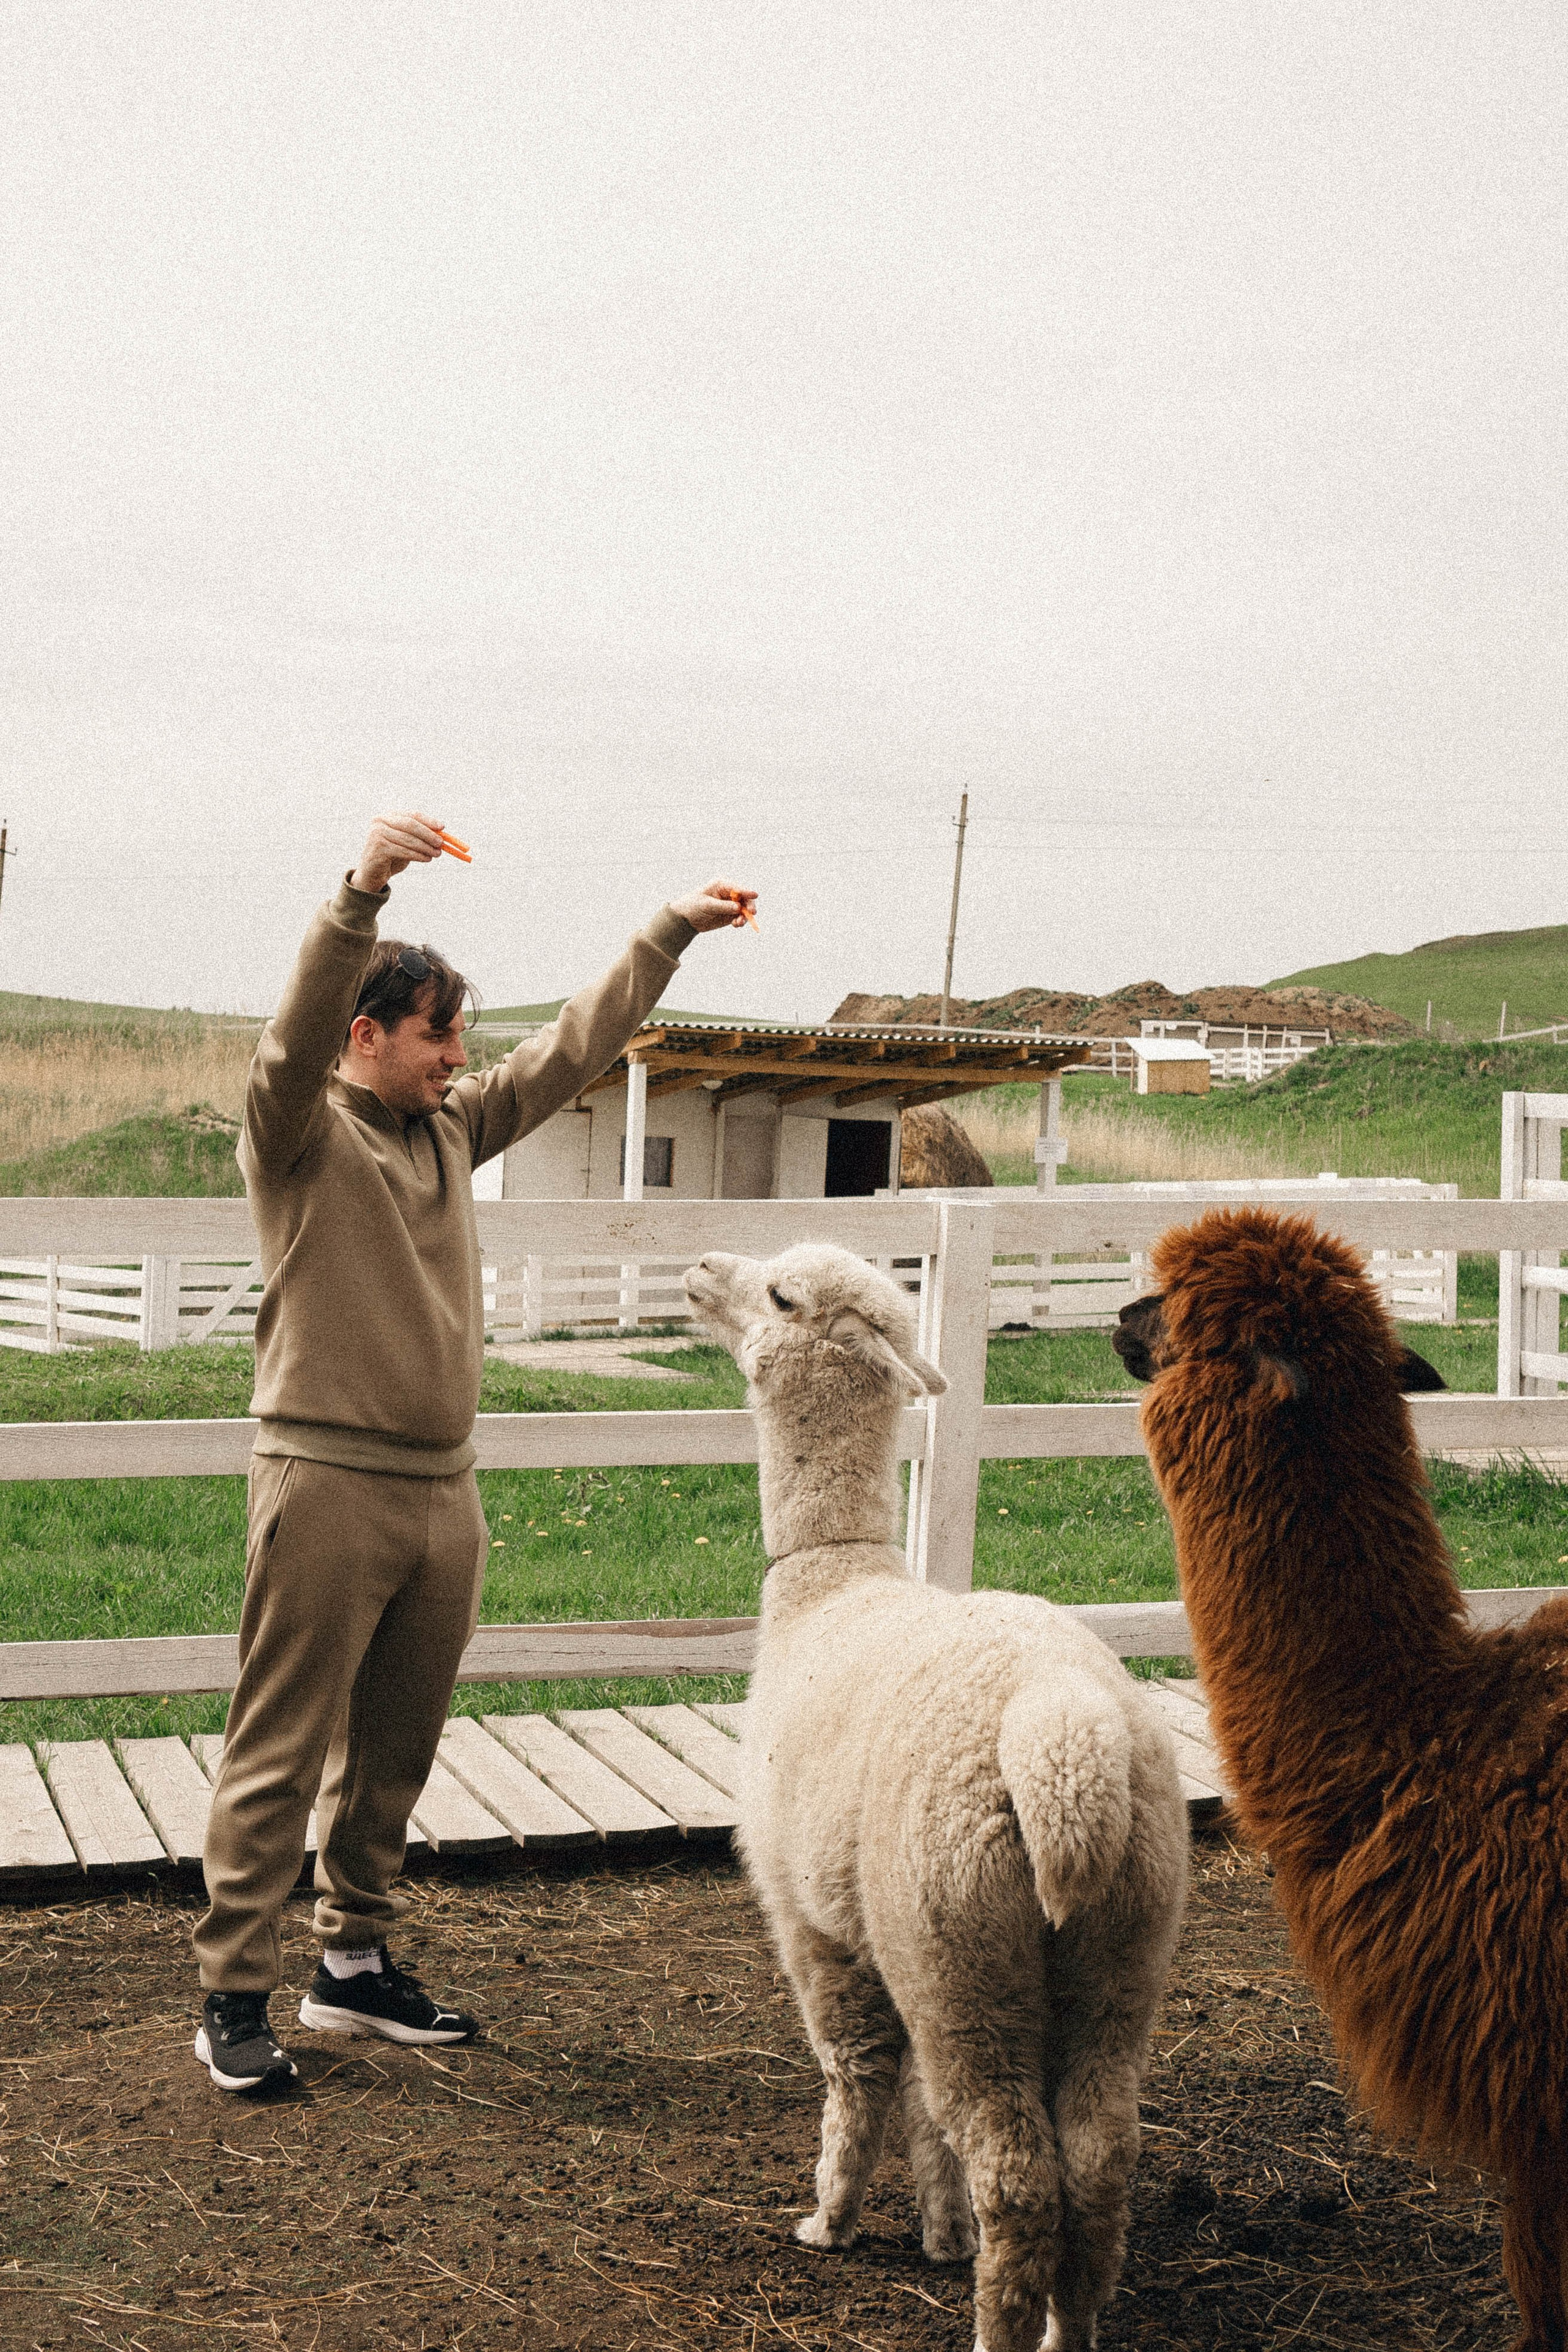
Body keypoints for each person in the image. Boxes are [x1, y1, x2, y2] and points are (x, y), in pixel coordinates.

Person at [192, 813, 756, 2092]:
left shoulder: (448, 1129)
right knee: (278, 1748)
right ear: (366, 1034)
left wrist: (666, 932)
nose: (459, 1056)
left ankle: (350, 1969)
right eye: (437, 1032)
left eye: (458, 1034)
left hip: (442, 1493)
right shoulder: (298, 1135)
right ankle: (232, 1990)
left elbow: (570, 1051)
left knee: (396, 1751)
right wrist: (359, 895)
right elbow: (285, 1047)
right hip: (323, 1483)